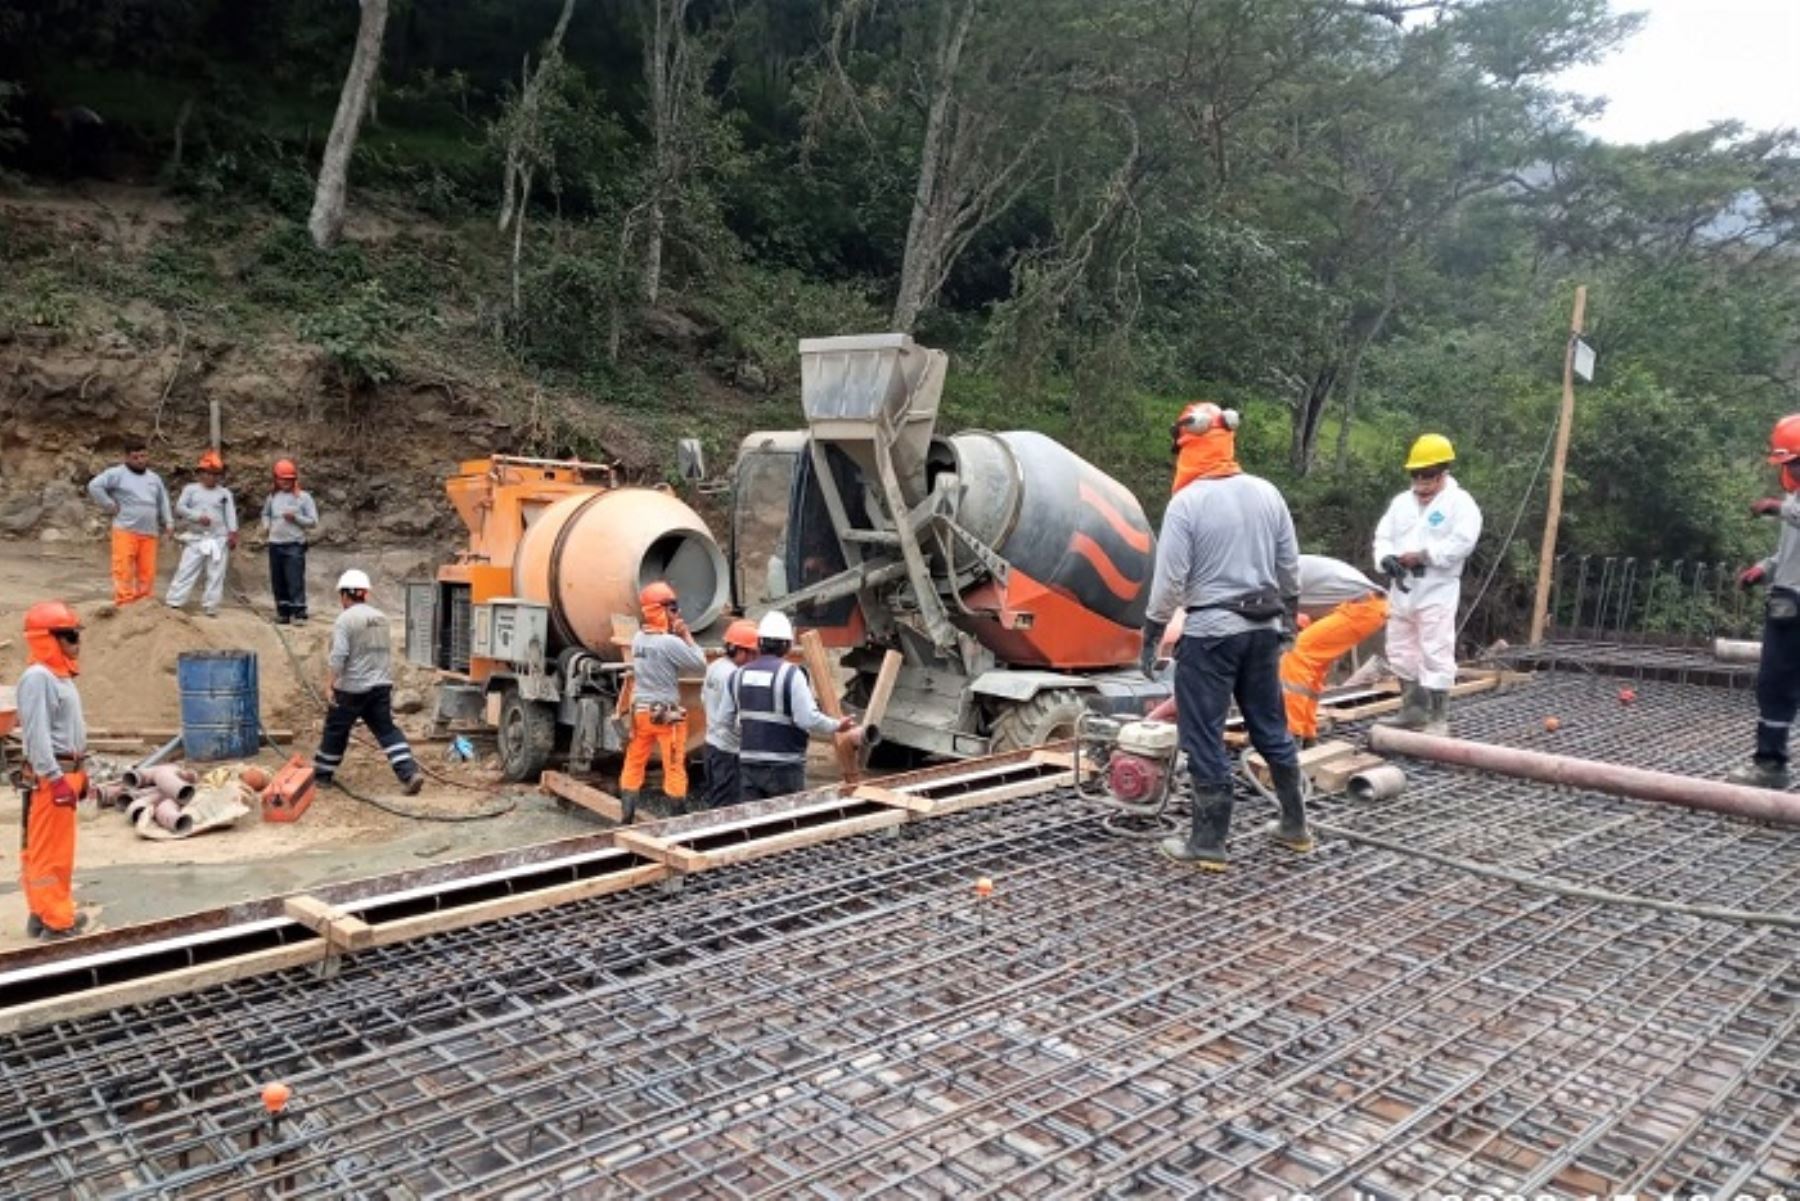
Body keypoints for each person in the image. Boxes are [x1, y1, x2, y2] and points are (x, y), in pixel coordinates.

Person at [1141, 402, 1310, 871]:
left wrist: (1151, 633)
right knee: (1271, 728)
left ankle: (1209, 843)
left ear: (1187, 446)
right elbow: (1289, 565)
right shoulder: (1267, 493)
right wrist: (1288, 617)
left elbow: (1170, 581)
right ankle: (1295, 827)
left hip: (1211, 635)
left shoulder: (1187, 503)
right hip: (1262, 631)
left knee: (1204, 736)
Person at [1146, 554, 1388, 746]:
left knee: (1296, 657)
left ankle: (1290, 734)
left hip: (1361, 607)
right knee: (1309, 664)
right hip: (1365, 605)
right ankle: (1306, 732)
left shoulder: (1259, 582)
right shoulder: (1267, 574)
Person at [1372, 434, 1483, 734]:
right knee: (1399, 647)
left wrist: (1425, 556)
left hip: (1437, 588)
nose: (1421, 482)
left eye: (1428, 476)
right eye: (1416, 476)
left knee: (1436, 648)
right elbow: (1383, 537)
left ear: (1443, 471)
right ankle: (1413, 709)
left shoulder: (1460, 503)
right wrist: (1386, 559)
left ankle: (1437, 717)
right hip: (1403, 588)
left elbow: (1463, 542)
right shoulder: (1401, 503)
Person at [717, 610, 858, 802]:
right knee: (786, 823)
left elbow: (723, 721)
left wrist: (751, 737)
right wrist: (837, 725)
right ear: (787, 644)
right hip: (784, 768)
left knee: (754, 824)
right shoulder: (792, 675)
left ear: (759, 643)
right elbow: (806, 718)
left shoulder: (737, 676)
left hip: (749, 764)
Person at [1730, 414, 1800, 788]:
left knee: (1779, 684)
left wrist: (1776, 507)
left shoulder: (1792, 506)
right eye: (1789, 464)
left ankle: (1770, 765)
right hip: (1788, 600)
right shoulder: (1796, 501)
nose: (1791, 470)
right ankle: (1770, 761)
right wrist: (1762, 570)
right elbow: (1787, 557)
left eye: (1795, 462)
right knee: (1775, 685)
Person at [14, 601, 91, 940]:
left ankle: (43, 911)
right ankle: (56, 922)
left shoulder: (59, 676)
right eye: (70, 635)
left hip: (64, 773)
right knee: (49, 854)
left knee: (53, 850)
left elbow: (68, 730)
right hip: (51, 778)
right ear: (48, 639)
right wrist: (56, 778)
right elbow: (36, 735)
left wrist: (80, 771)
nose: (77, 642)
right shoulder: (38, 678)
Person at [313, 570, 423, 796]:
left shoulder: (345, 619)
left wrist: (330, 684)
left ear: (345, 595)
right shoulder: (381, 618)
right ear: (364, 593)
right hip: (380, 686)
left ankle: (322, 775)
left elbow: (339, 655)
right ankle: (410, 772)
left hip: (352, 688)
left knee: (336, 730)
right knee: (387, 730)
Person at [620, 582, 709, 819]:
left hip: (640, 714)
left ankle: (625, 817)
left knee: (634, 762)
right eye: (672, 609)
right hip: (666, 716)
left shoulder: (638, 639)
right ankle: (677, 818)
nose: (677, 613)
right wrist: (686, 635)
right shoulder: (669, 643)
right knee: (673, 766)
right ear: (659, 611)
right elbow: (700, 663)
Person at [88, 440, 173, 606]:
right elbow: (94, 486)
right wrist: (109, 504)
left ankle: (144, 602)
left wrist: (168, 522)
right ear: (126, 458)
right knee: (124, 568)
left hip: (149, 532)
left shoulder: (154, 478)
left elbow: (163, 501)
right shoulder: (116, 474)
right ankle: (124, 602)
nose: (140, 460)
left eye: (143, 456)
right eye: (135, 457)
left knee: (147, 571)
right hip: (125, 530)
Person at [165, 450, 239, 618]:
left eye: (215, 474)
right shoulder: (191, 490)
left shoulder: (224, 494)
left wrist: (232, 534)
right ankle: (174, 602)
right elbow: (180, 508)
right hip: (196, 538)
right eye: (208, 473)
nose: (211, 477)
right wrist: (197, 517)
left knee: (216, 574)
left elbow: (230, 515)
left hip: (218, 538)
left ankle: (211, 606)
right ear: (200, 473)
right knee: (186, 569)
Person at [700, 619, 761, 810]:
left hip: (712, 745)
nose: (755, 658)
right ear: (739, 650)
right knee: (728, 808)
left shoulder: (715, 666)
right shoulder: (734, 676)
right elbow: (736, 720)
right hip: (730, 752)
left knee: (717, 801)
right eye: (752, 653)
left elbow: (703, 698)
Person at [261, 459, 318, 624]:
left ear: (294, 479)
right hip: (275, 543)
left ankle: (299, 612)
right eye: (282, 479)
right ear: (276, 479)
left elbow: (313, 521)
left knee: (295, 579)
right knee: (278, 580)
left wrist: (296, 518)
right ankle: (283, 612)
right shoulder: (272, 497)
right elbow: (265, 514)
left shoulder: (303, 498)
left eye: (289, 479)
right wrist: (266, 526)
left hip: (294, 544)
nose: (285, 482)